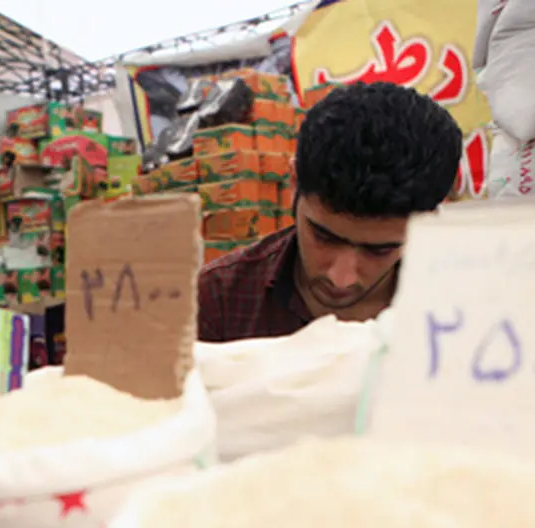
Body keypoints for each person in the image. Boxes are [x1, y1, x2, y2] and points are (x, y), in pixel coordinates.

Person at [197, 82, 463, 342]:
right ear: (293, 181)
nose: (341, 279)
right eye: (324, 236)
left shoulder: (465, 310)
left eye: (379, 250)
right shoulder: (217, 304)